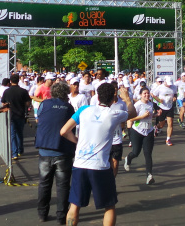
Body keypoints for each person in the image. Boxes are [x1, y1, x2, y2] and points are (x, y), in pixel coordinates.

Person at [60, 83, 137, 226]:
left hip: (80, 164)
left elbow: (64, 131)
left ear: (98, 96)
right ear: (112, 99)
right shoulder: (113, 114)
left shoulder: (83, 110)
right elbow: (133, 113)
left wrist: (77, 141)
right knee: (109, 205)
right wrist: (126, 99)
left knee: (75, 204)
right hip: (100, 167)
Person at [36, 82, 76, 224]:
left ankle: (42, 214)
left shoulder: (44, 104)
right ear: (66, 93)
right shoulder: (68, 107)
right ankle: (61, 216)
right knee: (63, 185)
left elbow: (38, 118)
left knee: (44, 184)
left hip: (45, 148)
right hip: (63, 150)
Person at [123, 87, 156, 185]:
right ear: (141, 95)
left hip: (148, 131)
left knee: (148, 153)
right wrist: (142, 117)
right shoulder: (137, 105)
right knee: (136, 152)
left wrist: (156, 115)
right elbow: (130, 119)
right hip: (137, 131)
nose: (146, 95)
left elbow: (150, 116)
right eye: (144, 93)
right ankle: (128, 159)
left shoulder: (151, 104)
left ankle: (149, 175)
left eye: (148, 93)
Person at [1, 73, 32, 160]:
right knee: (20, 133)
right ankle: (20, 150)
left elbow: (3, 103)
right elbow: (27, 103)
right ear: (18, 80)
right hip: (21, 114)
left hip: (11, 115)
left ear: (10, 81)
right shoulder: (23, 91)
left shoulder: (6, 91)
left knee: (12, 134)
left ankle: (14, 153)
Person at [152, 77, 176, 146]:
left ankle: (168, 139)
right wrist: (159, 100)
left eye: (170, 84)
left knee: (170, 123)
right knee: (161, 125)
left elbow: (175, 94)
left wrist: (175, 98)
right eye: (168, 84)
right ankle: (157, 127)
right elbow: (153, 94)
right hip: (162, 107)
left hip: (170, 106)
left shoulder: (174, 87)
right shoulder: (160, 87)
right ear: (165, 82)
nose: (169, 85)